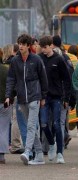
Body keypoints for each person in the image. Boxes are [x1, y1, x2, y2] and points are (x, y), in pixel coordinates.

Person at [5, 34, 48, 165]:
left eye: (24, 44)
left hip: (35, 96)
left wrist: (43, 96)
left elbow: (43, 78)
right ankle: (39, 155)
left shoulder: (36, 60)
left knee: (30, 125)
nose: (21, 46)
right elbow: (11, 80)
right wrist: (9, 96)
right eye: (20, 44)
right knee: (31, 128)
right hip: (21, 98)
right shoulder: (15, 61)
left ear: (29, 46)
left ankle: (28, 151)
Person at [38, 35, 72, 164]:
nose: (43, 50)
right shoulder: (39, 59)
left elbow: (66, 80)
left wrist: (66, 98)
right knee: (44, 123)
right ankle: (51, 144)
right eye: (42, 48)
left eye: (45, 47)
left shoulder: (59, 59)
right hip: (44, 97)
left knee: (57, 125)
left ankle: (60, 153)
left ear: (51, 45)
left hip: (57, 97)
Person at [0, 58, 12, 164]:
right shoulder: (7, 70)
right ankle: (1, 155)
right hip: (5, 102)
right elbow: (12, 85)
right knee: (3, 129)